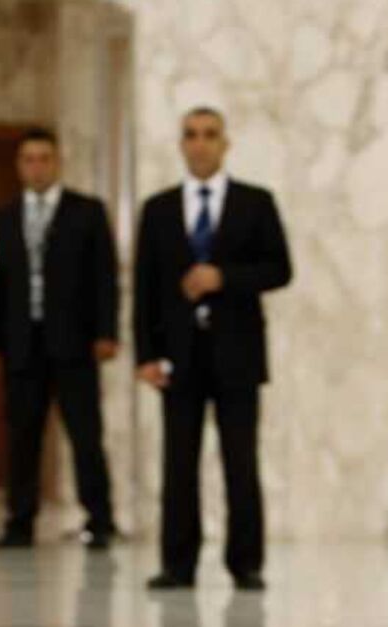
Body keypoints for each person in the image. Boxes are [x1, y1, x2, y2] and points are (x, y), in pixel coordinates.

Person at [133, 107, 292, 592]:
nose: (200, 144)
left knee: (240, 463)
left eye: (209, 135)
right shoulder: (158, 209)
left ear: (225, 143)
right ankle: (177, 566)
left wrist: (224, 277)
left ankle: (246, 565)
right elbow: (145, 289)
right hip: (178, 358)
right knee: (179, 465)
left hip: (238, 356)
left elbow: (279, 269)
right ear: (181, 144)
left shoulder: (255, 203)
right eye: (190, 135)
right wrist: (146, 355)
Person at [0, 128, 120, 550]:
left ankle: (100, 520)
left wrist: (106, 332)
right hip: (23, 345)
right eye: (29, 159)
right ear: (19, 166)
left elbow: (105, 278)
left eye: (44, 158)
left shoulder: (88, 212)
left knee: (85, 435)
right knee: (23, 436)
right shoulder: (2, 219)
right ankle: (19, 522)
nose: (37, 166)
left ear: (57, 162)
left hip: (75, 344)